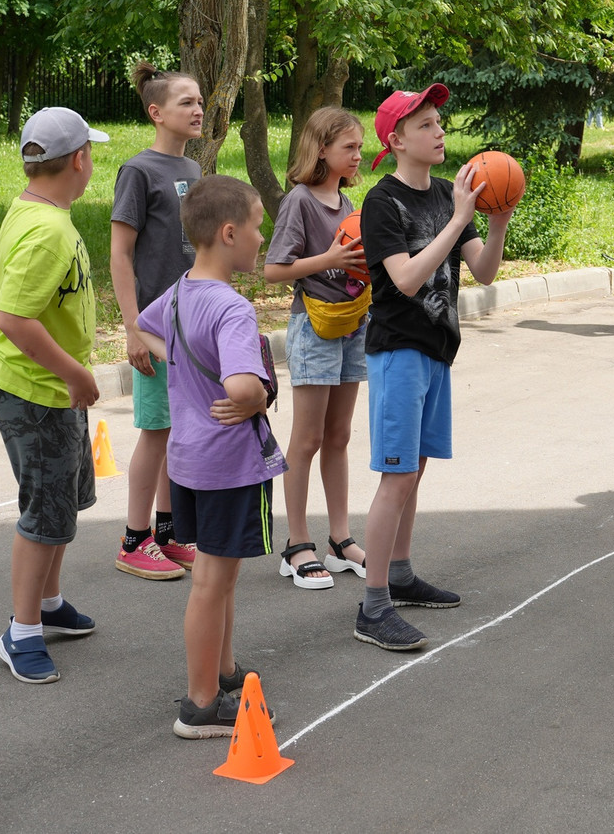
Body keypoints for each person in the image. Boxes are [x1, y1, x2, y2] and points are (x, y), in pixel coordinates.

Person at [354, 85, 512, 651]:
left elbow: (485, 272)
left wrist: (496, 220)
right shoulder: (381, 202)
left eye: (439, 121)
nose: (439, 130)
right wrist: (460, 216)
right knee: (395, 476)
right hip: (397, 350)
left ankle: (398, 574)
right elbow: (404, 279)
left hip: (438, 349)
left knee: (414, 470)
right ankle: (372, 609)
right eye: (425, 124)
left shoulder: (448, 194)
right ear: (396, 140)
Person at [133, 175, 289, 738]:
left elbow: (144, 330)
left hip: (190, 460)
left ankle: (221, 673)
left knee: (218, 576)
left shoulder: (177, 293)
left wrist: (178, 359)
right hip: (229, 464)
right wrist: (257, 397)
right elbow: (244, 385)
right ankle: (201, 703)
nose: (260, 239)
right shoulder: (232, 309)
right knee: (211, 581)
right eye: (256, 228)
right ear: (229, 233)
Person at [0, 106, 107, 685]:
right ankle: (22, 631)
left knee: (64, 502)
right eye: (93, 154)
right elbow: (14, 317)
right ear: (80, 160)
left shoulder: (37, 209)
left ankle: (51, 602)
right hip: (38, 390)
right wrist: (73, 373)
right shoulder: (48, 232)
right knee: (44, 511)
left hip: (51, 388)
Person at [263, 106, 372, 590]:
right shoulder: (300, 201)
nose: (358, 155)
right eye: (349, 147)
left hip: (353, 325)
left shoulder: (351, 206)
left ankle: (340, 539)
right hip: (313, 327)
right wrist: (328, 258)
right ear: (321, 148)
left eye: (360, 147)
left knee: (340, 436)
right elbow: (272, 269)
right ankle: (297, 543)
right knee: (306, 439)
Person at [109, 62, 204, 581]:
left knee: (178, 429)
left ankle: (166, 534)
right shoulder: (138, 171)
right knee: (155, 431)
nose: (198, 110)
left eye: (199, 102)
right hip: (154, 326)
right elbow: (120, 255)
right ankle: (133, 538)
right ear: (157, 112)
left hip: (190, 324)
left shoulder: (193, 172)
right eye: (187, 102)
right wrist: (133, 328)